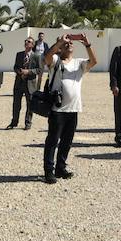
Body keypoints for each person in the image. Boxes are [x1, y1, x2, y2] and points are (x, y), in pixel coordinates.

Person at [41, 34, 97, 183]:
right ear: (59, 48)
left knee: (67, 141)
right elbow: (46, 58)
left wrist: (87, 44)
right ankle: (49, 171)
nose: (69, 44)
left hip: (73, 109)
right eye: (65, 43)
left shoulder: (79, 63)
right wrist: (59, 42)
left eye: (70, 43)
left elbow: (93, 61)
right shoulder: (55, 60)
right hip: (57, 110)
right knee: (53, 141)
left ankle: (61, 168)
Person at [7, 38, 41, 130]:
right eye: (25, 41)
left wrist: (28, 72)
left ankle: (28, 123)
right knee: (16, 104)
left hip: (30, 84)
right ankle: (14, 122)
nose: (26, 42)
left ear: (32, 45)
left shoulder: (37, 56)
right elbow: (15, 67)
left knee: (30, 104)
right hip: (19, 83)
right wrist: (20, 72)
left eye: (29, 42)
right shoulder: (19, 54)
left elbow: (39, 70)